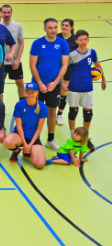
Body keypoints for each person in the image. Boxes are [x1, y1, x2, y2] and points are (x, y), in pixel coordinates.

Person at [30, 18, 70, 151]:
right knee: (35, 112)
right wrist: (40, 83)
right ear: (45, 29)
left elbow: (64, 65)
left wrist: (55, 82)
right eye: (50, 28)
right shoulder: (37, 43)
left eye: (55, 27)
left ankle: (50, 140)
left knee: (52, 112)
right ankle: (34, 139)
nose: (53, 30)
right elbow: (33, 65)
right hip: (37, 86)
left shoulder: (63, 44)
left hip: (54, 85)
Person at [66, 30, 105, 142]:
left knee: (88, 114)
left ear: (88, 40)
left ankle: (85, 138)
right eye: (80, 40)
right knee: (73, 112)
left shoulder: (92, 52)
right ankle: (72, 137)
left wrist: (103, 79)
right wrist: (63, 83)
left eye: (85, 39)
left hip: (88, 88)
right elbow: (63, 69)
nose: (83, 42)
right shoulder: (72, 55)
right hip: (74, 88)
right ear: (76, 41)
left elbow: (97, 65)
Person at [3, 83, 49, 169]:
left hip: (33, 138)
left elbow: (39, 128)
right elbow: (19, 126)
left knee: (40, 165)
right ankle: (18, 149)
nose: (31, 94)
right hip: (20, 136)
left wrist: (30, 144)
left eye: (33, 92)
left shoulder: (43, 107)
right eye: (28, 92)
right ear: (25, 92)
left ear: (37, 92)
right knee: (7, 142)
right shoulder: (19, 105)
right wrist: (24, 143)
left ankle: (30, 151)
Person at [56, 18, 79, 125]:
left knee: (64, 92)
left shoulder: (75, 40)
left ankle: (59, 114)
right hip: (54, 67)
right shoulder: (57, 37)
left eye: (67, 25)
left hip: (67, 69)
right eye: (63, 25)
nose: (64, 27)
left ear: (71, 27)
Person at [1, 4, 25, 100]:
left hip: (14, 61)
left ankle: (23, 105)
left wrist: (18, 59)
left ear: (11, 13)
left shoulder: (17, 26)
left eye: (8, 12)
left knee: (20, 83)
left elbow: (21, 43)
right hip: (1, 62)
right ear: (1, 13)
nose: (6, 14)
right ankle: (0, 107)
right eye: (4, 12)